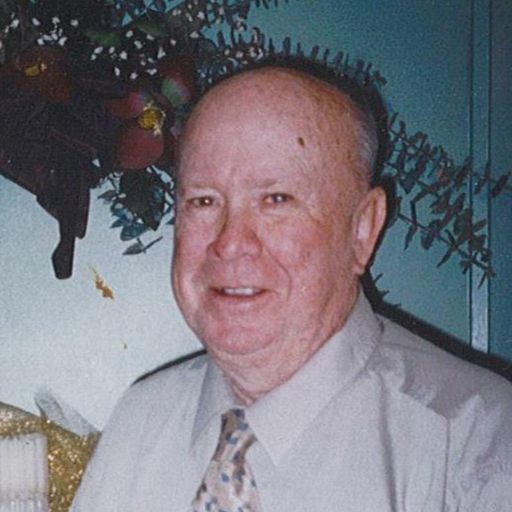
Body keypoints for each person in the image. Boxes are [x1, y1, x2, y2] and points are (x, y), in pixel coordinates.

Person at [71, 61, 512, 511]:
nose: (230, 242)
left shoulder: (478, 449)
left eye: (276, 199)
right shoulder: (141, 421)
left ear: (362, 230)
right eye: (203, 200)